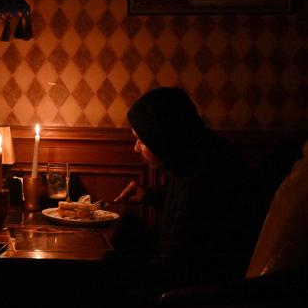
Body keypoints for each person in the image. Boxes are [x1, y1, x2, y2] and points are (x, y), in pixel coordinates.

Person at [111, 87, 266, 295]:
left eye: (142, 140)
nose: (136, 148)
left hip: (196, 302)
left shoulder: (205, 177)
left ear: (162, 139)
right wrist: (152, 196)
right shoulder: (193, 153)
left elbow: (176, 268)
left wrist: (111, 268)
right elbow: (189, 212)